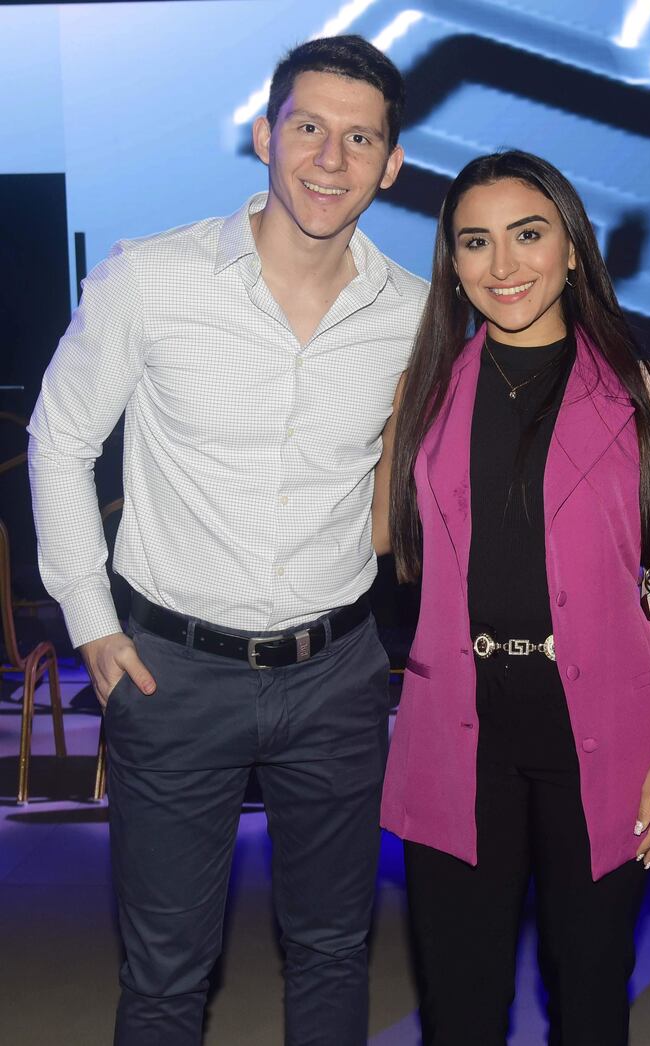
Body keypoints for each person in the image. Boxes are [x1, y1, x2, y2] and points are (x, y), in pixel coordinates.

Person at [28, 35, 427, 1046]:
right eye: (308, 127)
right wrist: (91, 624)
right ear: (262, 135)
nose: (329, 158)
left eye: (358, 138)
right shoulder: (151, 279)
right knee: (166, 973)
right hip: (173, 674)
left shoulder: (413, 314)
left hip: (337, 674)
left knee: (334, 948)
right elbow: (60, 439)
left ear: (391, 164)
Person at [380, 150, 650, 1045]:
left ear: (572, 248)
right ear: (452, 263)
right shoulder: (423, 392)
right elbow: (377, 544)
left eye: (527, 235)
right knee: (459, 1011)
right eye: (475, 242)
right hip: (456, 737)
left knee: (591, 1002)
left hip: (611, 738)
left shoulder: (641, 392)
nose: (503, 265)